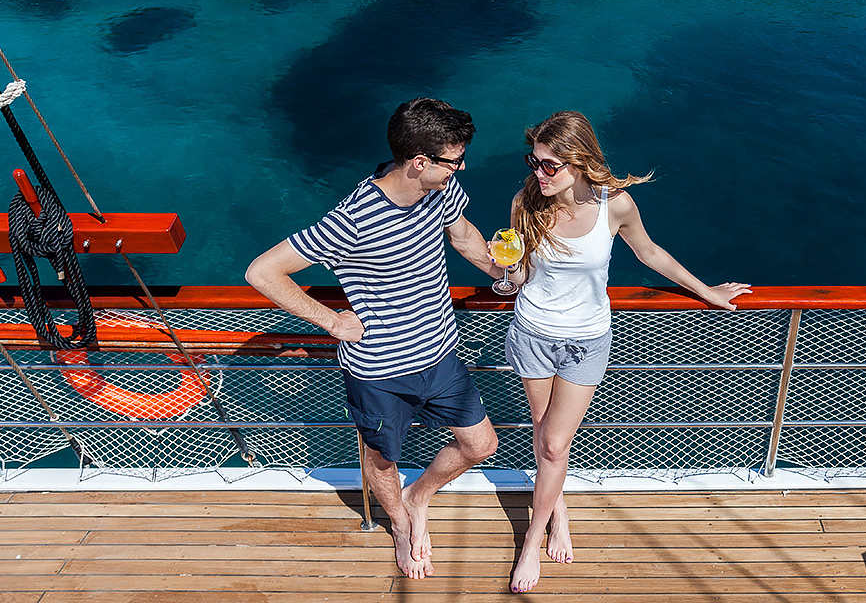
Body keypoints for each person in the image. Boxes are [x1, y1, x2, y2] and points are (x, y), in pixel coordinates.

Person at [245, 98, 506, 581]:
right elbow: (262, 271)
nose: (462, 167)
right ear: (420, 162)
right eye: (455, 159)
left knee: (480, 445)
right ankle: (401, 524)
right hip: (379, 371)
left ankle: (418, 496)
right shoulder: (353, 220)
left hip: (441, 356)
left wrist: (505, 273)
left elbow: (465, 237)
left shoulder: (441, 191)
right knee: (382, 459)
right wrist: (331, 321)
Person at [503, 111, 751, 593]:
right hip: (532, 333)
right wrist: (507, 268)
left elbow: (649, 252)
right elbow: (520, 275)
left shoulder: (614, 204)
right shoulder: (525, 202)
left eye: (550, 165)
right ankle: (557, 513)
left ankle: (532, 540)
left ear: (579, 162)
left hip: (586, 340)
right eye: (534, 162)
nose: (539, 173)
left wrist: (706, 291)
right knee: (545, 436)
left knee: (553, 444)